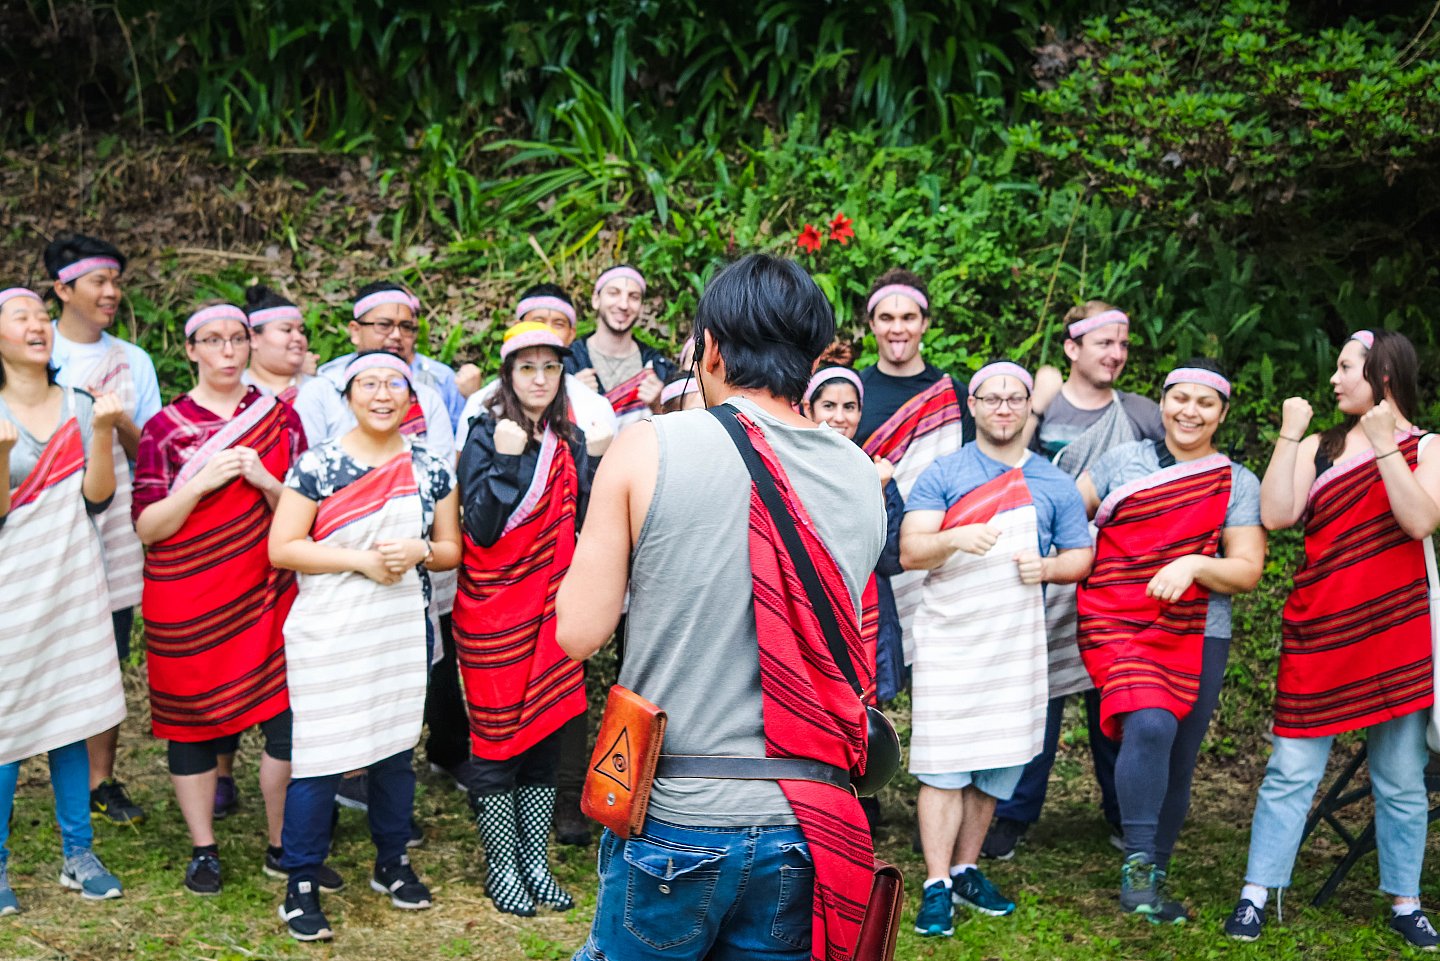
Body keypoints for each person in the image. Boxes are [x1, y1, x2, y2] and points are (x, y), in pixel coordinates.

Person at [558, 253, 885, 961]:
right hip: (806, 819)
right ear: (814, 360)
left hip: (676, 813)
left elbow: (578, 632)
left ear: (709, 349)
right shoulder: (861, 474)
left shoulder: (648, 446)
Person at [1223, 330, 1440, 950]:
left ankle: (1405, 902)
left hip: (1395, 630)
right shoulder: (1320, 446)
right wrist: (1290, 435)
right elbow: (1276, 515)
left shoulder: (1428, 447)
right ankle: (1257, 893)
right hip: (1319, 628)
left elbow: (1420, 520)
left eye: (1346, 369)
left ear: (1383, 376)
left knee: (1400, 778)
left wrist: (1386, 446)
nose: (1334, 379)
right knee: (1290, 769)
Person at [269, 349, 461, 941]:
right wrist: (361, 561)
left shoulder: (431, 466)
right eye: (369, 384)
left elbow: (451, 549)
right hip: (329, 628)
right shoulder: (318, 465)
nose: (382, 395)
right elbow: (283, 547)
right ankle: (301, 881)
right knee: (320, 756)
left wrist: (421, 551)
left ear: (411, 397)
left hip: (400, 627)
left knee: (395, 749)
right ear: (348, 395)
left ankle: (392, 861)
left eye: (393, 384)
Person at [900, 361, 1093, 937]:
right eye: (992, 398)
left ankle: (966, 869)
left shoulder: (1052, 481)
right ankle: (936, 884)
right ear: (974, 406)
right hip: (950, 637)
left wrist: (1050, 567)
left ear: (1028, 406)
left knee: (998, 760)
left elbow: (1081, 556)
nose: (1003, 408)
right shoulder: (945, 471)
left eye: (1014, 398)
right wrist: (955, 537)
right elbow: (910, 550)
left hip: (1016, 643)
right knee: (943, 763)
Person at [1072, 359, 1264, 923]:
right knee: (1152, 723)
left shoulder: (1236, 481)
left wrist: (1195, 565)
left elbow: (1247, 568)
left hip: (1199, 630)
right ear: (1162, 403)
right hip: (1115, 620)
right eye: (1180, 398)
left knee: (1179, 755)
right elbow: (1065, 517)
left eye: (1205, 403)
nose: (1190, 411)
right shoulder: (1121, 462)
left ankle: (1153, 872)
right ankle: (1136, 866)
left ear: (1222, 414)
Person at [133, 303, 306, 896]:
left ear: (250, 345)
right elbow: (148, 526)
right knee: (191, 724)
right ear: (191, 350)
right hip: (187, 596)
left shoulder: (279, 418)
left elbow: (306, 513)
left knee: (287, 720)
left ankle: (283, 844)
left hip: (267, 590)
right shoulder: (165, 428)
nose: (227, 351)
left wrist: (264, 480)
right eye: (212, 340)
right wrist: (201, 483)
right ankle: (203, 848)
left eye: (236, 339)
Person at [985, 301, 1165, 859]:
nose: (1117, 354)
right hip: (1045, 568)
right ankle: (1013, 813)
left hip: (1122, 575)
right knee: (1036, 695)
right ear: (1072, 348)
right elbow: (1007, 465)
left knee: (1116, 692)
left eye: (1123, 344)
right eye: (1104, 343)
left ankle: (1123, 811)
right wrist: (1037, 403)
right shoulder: (1038, 407)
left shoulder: (1143, 415)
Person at [455, 322, 606, 917]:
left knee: (547, 730)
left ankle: (535, 862)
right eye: (527, 368)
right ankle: (503, 865)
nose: (540, 379)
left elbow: (583, 521)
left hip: (552, 607)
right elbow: (481, 528)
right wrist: (508, 459)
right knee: (496, 739)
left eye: (550, 367)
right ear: (508, 374)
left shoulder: (570, 438)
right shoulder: (484, 432)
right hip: (494, 611)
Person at [0, 286, 127, 913]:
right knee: (4, 723)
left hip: (74, 578)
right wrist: (1, 452)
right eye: (20, 316)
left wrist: (101, 430)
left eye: (42, 317)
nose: (38, 325)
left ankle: (79, 854)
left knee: (71, 717)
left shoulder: (80, 403)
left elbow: (97, 498)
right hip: (11, 585)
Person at [44, 233, 158, 826]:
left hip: (111, 526)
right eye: (98, 281)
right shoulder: (33, 349)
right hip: (41, 527)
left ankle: (100, 779)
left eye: (116, 281)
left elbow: (154, 453)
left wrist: (114, 420)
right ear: (62, 289)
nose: (112, 292)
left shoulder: (132, 361)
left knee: (107, 650)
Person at [854, 269, 973, 670]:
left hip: (936, 548)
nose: (897, 328)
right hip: (874, 550)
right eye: (886, 318)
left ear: (925, 323)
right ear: (872, 325)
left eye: (908, 317)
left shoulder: (952, 394)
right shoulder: (853, 393)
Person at [293, 282, 456, 460]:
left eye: (406, 327)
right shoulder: (320, 392)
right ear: (355, 331)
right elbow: (306, 464)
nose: (396, 335)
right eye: (384, 325)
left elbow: (443, 467)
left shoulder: (427, 397)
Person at [564, 265, 674, 430]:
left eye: (633, 297)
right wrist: (570, 395)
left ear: (641, 307)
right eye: (613, 293)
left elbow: (679, 429)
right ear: (596, 299)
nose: (623, 304)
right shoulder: (568, 361)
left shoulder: (659, 368)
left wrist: (661, 405)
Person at [242, 284, 317, 408]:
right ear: (253, 337)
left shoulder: (322, 391)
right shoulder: (233, 391)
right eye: (286, 330)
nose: (298, 337)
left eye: (301, 331)